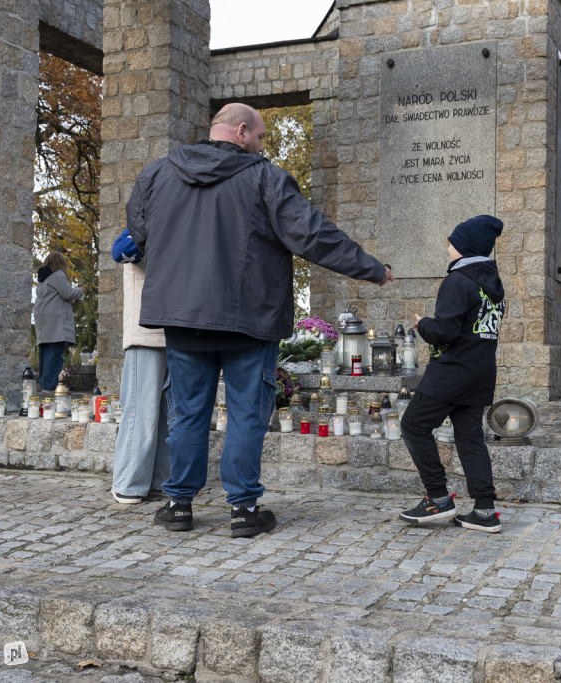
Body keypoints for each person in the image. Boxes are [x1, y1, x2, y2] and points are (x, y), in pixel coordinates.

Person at [127, 102, 392, 537]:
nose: (263, 145)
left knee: (188, 412)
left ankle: (179, 505)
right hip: (247, 318)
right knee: (247, 413)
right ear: (243, 131)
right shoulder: (264, 178)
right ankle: (243, 512)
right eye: (262, 137)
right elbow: (311, 233)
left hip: (182, 315)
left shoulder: (157, 173)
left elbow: (138, 230)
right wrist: (370, 267)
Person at [399, 215, 506, 533]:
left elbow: (444, 332)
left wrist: (423, 325)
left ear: (465, 247)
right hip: (481, 372)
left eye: (451, 242)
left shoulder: (458, 281)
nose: (448, 247)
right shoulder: (492, 287)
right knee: (470, 438)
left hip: (452, 371)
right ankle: (485, 511)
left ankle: (438, 498)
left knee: (414, 425)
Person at [109, 229, 171, 505]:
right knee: (142, 409)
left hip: (171, 329)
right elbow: (119, 251)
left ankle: (152, 481)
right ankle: (131, 483)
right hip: (146, 331)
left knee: (163, 412)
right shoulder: (146, 223)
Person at [34, 251, 83, 392]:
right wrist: (79, 291)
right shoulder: (58, 275)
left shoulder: (43, 279)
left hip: (43, 320)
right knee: (55, 355)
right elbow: (67, 293)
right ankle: (49, 388)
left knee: (45, 355)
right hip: (55, 322)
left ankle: (44, 385)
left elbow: (54, 298)